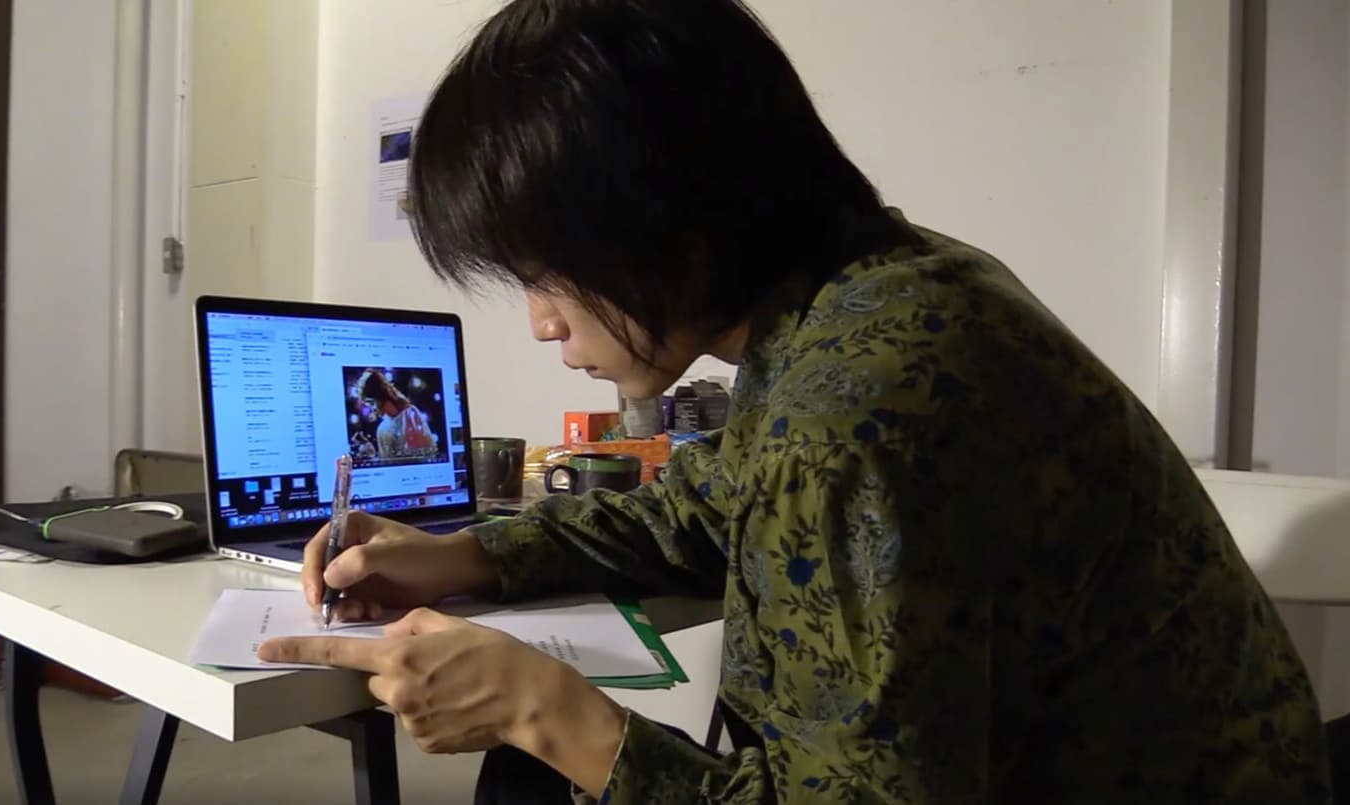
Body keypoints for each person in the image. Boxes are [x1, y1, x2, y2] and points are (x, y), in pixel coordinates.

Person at [259, 1, 1332, 802]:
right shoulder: (876, 294)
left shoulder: (858, 407)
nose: (542, 324)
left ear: (665, 217)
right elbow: (705, 505)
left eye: (549, 276)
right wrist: (468, 554)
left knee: (533, 765)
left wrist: (545, 707)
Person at [355, 369, 438, 460]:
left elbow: (420, 457)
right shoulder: (382, 429)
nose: (372, 408)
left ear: (379, 396)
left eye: (371, 402)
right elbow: (387, 463)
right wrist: (372, 455)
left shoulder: (410, 414)